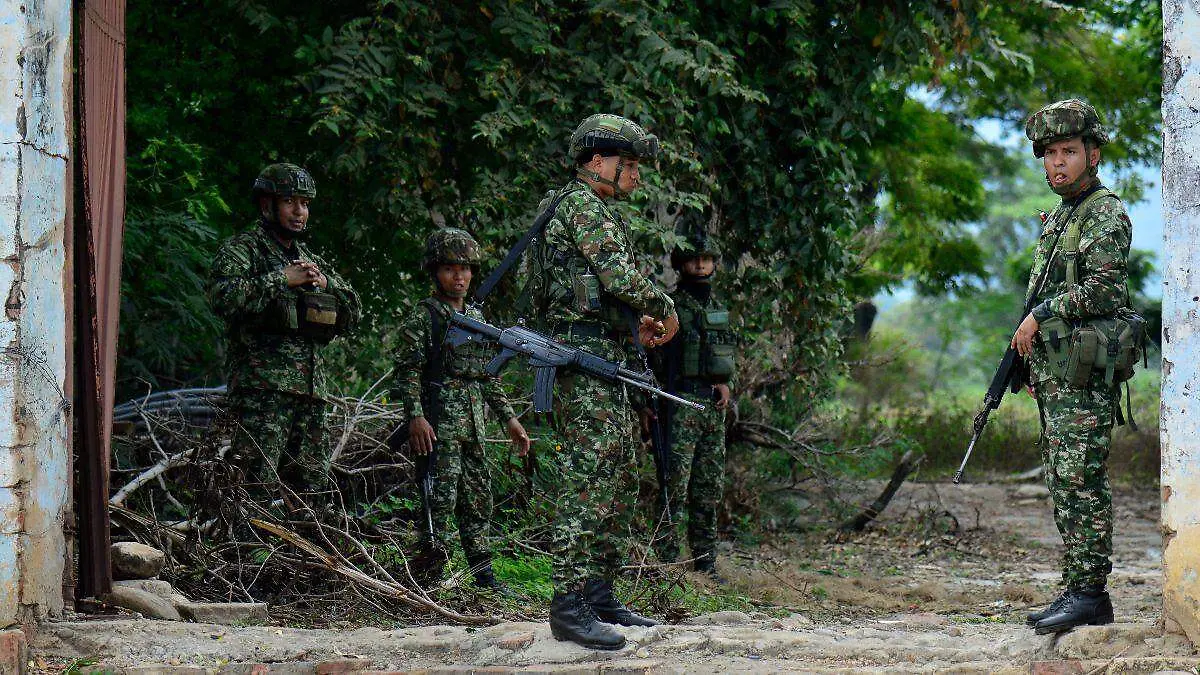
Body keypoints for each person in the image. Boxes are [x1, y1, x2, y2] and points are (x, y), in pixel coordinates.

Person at [526, 114, 679, 649]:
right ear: (597, 162)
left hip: (602, 355)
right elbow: (618, 275)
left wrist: (632, 323)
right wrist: (664, 307)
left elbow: (595, 290)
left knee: (617, 476)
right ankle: (568, 607)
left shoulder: (584, 207)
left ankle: (597, 595)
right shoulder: (582, 206)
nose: (636, 176)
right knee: (588, 479)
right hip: (582, 359)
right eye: (628, 165)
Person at [1013, 99, 1132, 635]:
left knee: (1080, 480)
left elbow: (1104, 290)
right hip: (1060, 373)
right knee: (1064, 480)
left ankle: (1090, 595)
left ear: (1093, 154)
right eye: (1050, 154)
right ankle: (1078, 587)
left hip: (1084, 377)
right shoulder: (1063, 214)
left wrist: (1041, 316)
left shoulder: (1103, 213)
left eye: (1068, 151)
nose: (1057, 163)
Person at [208, 163, 361, 505]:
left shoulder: (310, 260)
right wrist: (282, 279)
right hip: (263, 395)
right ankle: (249, 542)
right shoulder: (243, 250)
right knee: (255, 489)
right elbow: (223, 298)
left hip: (311, 396)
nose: (299, 212)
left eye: (305, 204)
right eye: (290, 202)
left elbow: (354, 312)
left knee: (312, 493)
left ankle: (304, 541)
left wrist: (326, 284)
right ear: (267, 205)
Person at [389, 228, 530, 591]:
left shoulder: (476, 318)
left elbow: (487, 375)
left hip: (474, 427)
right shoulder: (425, 317)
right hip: (439, 428)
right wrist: (416, 417)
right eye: (450, 269)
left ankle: (484, 575)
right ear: (435, 271)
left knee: (478, 499)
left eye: (465, 268)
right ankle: (428, 578)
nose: (459, 276)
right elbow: (407, 371)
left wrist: (510, 419)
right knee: (438, 502)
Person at [648, 213, 735, 579]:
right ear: (681, 263)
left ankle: (705, 562)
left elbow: (727, 353)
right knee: (674, 485)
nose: (700, 265)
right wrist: (651, 406)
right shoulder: (670, 307)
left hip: (712, 408)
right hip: (679, 404)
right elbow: (653, 359)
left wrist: (726, 384)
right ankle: (668, 561)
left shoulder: (718, 308)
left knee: (708, 487)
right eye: (694, 258)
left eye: (707, 259)